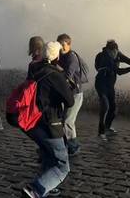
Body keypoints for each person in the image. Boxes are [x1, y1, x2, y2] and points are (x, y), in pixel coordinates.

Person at [22, 39, 74, 198]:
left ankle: (48, 188)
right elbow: (70, 100)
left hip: (35, 121)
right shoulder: (55, 74)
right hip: (51, 121)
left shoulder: (35, 67)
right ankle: (36, 189)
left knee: (47, 155)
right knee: (62, 165)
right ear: (56, 56)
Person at [94, 40, 130, 139]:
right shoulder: (103, 57)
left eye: (115, 52)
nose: (113, 54)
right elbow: (119, 71)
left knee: (113, 108)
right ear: (108, 50)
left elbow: (128, 60)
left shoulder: (117, 54)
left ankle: (107, 127)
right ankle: (101, 131)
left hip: (110, 85)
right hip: (101, 84)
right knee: (105, 106)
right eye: (111, 52)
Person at [56, 33, 87, 155]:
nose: (61, 48)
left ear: (69, 45)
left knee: (68, 121)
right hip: (67, 93)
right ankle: (67, 144)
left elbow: (67, 76)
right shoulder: (61, 56)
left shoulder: (71, 58)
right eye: (59, 45)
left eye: (63, 45)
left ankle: (74, 146)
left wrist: (56, 69)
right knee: (65, 120)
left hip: (75, 94)